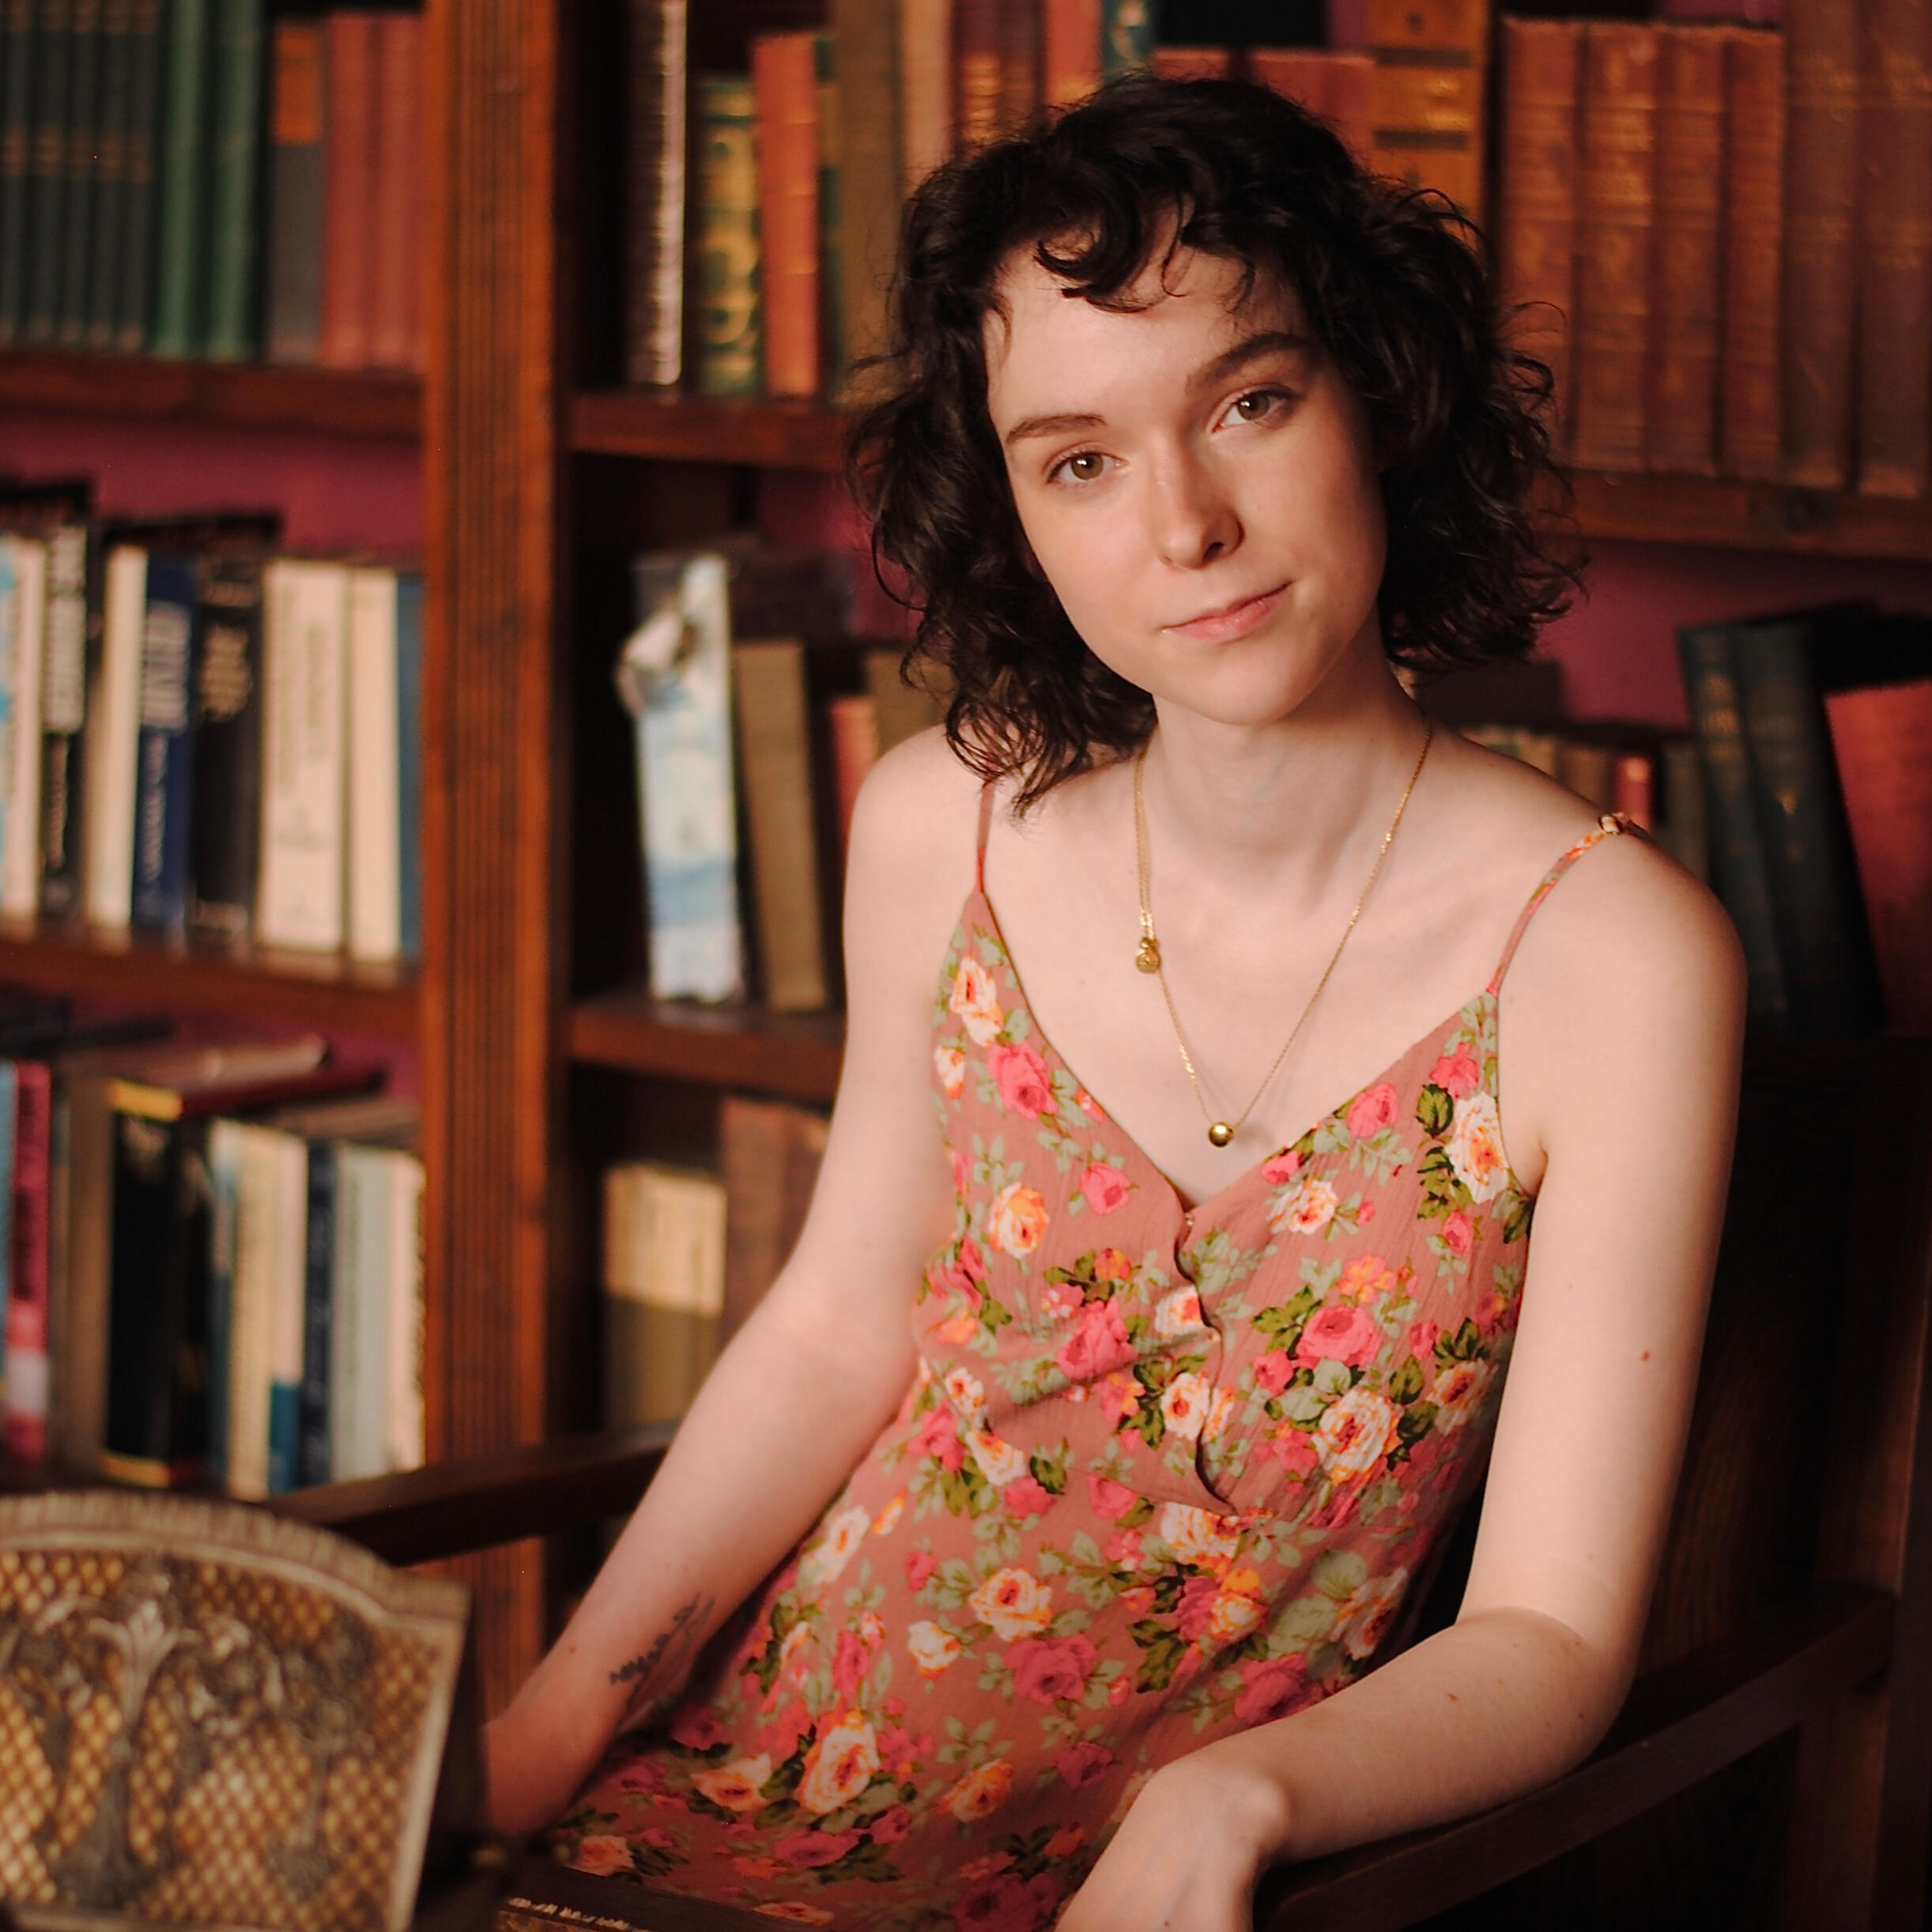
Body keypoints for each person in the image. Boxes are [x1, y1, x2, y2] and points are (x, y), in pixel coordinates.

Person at [484, 74, 1744, 1932]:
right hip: (763, 1780)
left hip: (1201, 1863)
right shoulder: (942, 824)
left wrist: (1237, 1798)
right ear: (1009, 508)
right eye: (1078, 457)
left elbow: (1552, 1629)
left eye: (1248, 404)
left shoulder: (1614, 957)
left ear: (1378, 399)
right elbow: (839, 1324)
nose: (1184, 526)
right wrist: (544, 1727)